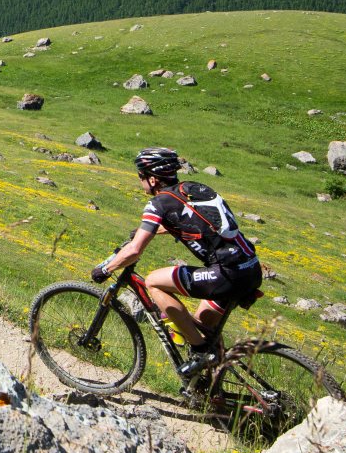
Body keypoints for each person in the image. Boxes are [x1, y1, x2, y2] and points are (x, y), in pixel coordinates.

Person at [90, 147, 262, 379]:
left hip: (226, 274)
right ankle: (211, 393)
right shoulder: (193, 189)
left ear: (152, 178)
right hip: (250, 267)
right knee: (201, 326)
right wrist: (150, 230)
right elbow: (192, 221)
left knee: (153, 282)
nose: (140, 181)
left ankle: (202, 354)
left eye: (141, 176)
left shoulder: (158, 204)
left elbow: (134, 251)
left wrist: (105, 269)